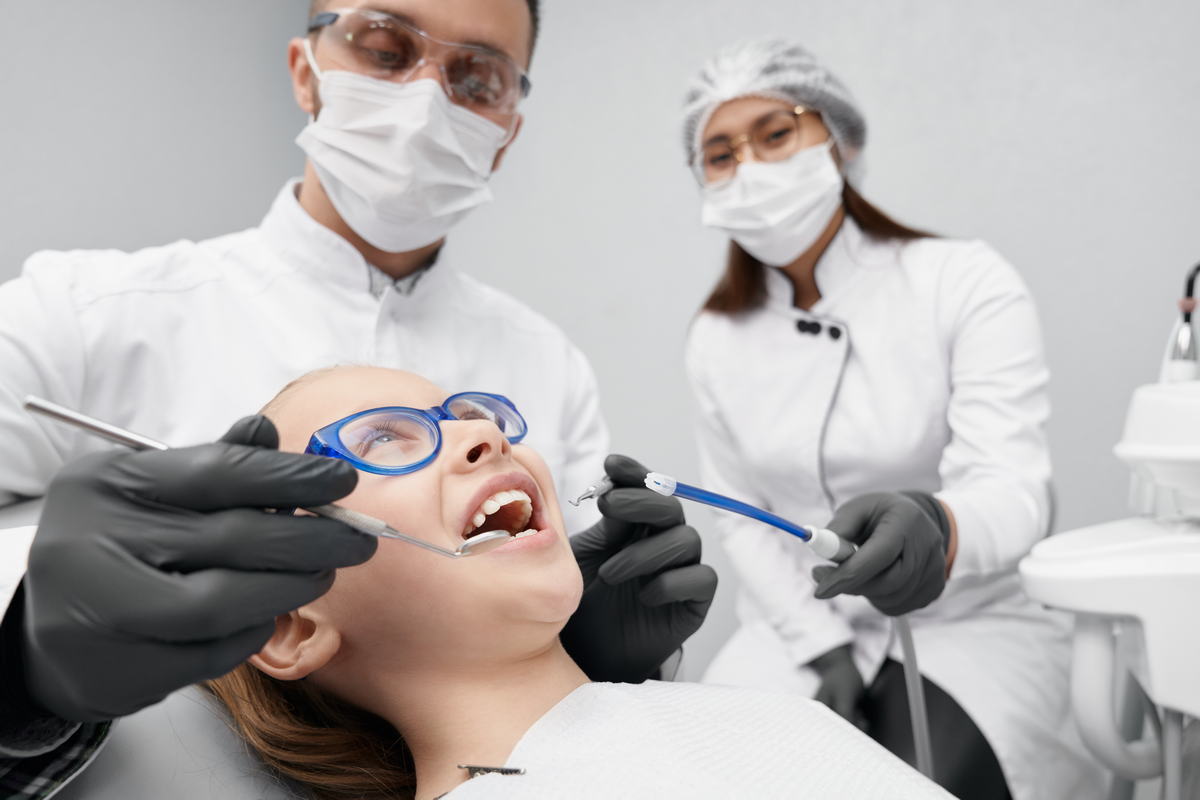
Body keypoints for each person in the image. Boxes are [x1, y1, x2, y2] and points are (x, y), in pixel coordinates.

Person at [0, 2, 718, 795]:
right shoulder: (77, 316)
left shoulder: (546, 357)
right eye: (384, 47)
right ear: (306, 72)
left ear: (508, 129)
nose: (428, 96)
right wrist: (18, 668)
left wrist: (593, 652)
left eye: (476, 77)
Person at [204, 364, 950, 800]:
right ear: (291, 625)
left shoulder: (770, 716)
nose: (482, 434)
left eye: (468, 415)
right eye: (378, 440)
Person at [678, 40, 1105, 799]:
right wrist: (823, 647)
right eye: (721, 154)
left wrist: (938, 526)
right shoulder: (716, 337)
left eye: (776, 135)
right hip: (794, 630)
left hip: (968, 625)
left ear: (840, 139)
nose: (750, 167)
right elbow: (742, 518)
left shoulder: (962, 282)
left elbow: (1016, 491)